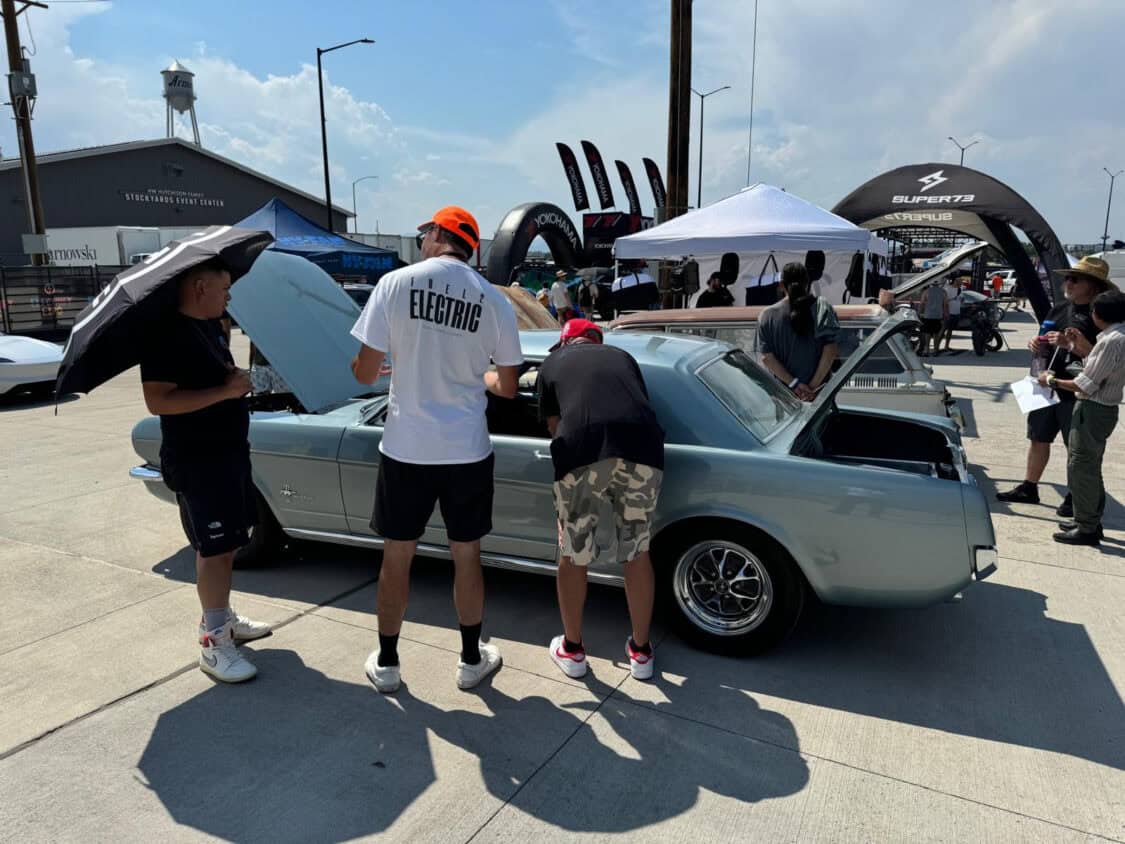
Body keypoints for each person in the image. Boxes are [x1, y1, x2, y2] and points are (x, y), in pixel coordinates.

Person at [350, 206, 523, 694]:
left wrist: (388, 364)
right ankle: (471, 661)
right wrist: (478, 376)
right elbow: (507, 386)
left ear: (439, 236)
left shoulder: (395, 283)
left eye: (425, 232)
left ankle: (387, 664)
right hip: (466, 450)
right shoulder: (493, 299)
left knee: (396, 556)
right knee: (466, 555)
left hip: (406, 448)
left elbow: (365, 373)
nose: (422, 239)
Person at [140, 259, 271, 684]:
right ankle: (214, 644)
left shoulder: (212, 326)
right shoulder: (164, 333)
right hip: (198, 460)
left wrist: (233, 379)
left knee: (231, 541)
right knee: (214, 550)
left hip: (229, 453)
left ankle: (222, 617)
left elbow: (214, 380)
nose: (230, 296)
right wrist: (225, 391)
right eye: (225, 288)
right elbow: (158, 401)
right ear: (199, 287)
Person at [536, 319, 665, 680]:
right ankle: (641, 652)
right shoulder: (623, 357)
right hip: (643, 450)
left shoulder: (552, 364)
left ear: (565, 343)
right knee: (637, 551)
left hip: (582, 452)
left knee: (574, 553)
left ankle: (573, 650)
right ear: (597, 341)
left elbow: (553, 426)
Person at [996, 256, 1110, 514]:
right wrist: (1035, 343)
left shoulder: (1102, 315)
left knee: (1077, 448)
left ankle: (1075, 495)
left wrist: (1069, 344)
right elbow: (1044, 336)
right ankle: (1029, 486)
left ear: (1092, 285)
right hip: (1045, 385)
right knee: (1038, 438)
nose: (1067, 283)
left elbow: (1104, 357)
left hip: (1076, 389)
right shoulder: (1060, 308)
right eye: (1067, 278)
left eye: (1074, 279)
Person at [1038, 288, 1124, 546]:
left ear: (1098, 314)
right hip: (1102, 409)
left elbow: (1086, 384)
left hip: (1093, 408)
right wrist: (1075, 346)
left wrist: (1051, 380)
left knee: (1081, 466)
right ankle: (1087, 519)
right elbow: (1098, 367)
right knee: (1089, 466)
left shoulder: (1111, 340)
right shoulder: (1115, 336)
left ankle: (1087, 527)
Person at [758, 262, 840, 401]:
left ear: (781, 285)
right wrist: (812, 388)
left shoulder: (766, 315)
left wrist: (795, 385)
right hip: (819, 396)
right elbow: (830, 350)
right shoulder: (822, 307)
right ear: (807, 283)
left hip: (784, 398)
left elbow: (767, 358)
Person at [919, 280, 948, 356]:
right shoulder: (943, 292)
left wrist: (920, 312)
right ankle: (935, 350)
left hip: (928, 315)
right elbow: (945, 304)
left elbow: (922, 303)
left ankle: (926, 350)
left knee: (927, 333)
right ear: (939, 284)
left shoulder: (926, 291)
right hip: (938, 315)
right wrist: (945, 314)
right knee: (936, 333)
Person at [940, 275, 963, 352]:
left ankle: (946, 346)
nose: (961, 282)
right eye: (959, 281)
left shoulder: (960, 289)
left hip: (956, 312)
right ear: (955, 281)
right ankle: (937, 347)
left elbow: (961, 299)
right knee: (943, 330)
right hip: (948, 312)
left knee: (950, 330)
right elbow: (944, 301)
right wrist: (945, 312)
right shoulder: (947, 289)